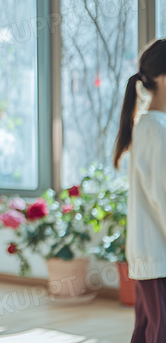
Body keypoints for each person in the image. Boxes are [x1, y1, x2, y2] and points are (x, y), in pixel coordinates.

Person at [113, 38, 166, 343]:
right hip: (159, 259)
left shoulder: (149, 126)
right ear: (161, 78)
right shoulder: (157, 130)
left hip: (151, 258)